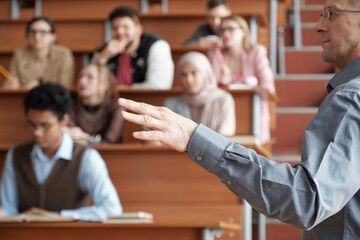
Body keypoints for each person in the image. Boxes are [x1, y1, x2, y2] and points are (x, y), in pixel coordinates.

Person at [118, 0, 360, 238]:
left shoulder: (350, 99)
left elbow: (307, 200)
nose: (318, 25)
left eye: (331, 13)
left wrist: (194, 137)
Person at [0, 83, 122, 221]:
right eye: (32, 125)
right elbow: (8, 209)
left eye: (45, 126)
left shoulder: (86, 158)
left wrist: (58, 216)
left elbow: (112, 210)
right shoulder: (16, 155)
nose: (37, 133)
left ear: (64, 120)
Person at [208, 14, 275, 142]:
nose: (225, 33)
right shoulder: (215, 55)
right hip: (221, 118)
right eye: (222, 30)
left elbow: (268, 87)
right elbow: (207, 90)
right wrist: (220, 83)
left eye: (230, 29)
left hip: (251, 118)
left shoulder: (256, 52)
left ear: (243, 31)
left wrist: (248, 88)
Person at [94, 6, 174, 89]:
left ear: (138, 30)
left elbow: (159, 86)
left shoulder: (157, 46)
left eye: (125, 27)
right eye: (115, 28)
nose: (119, 32)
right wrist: (101, 59)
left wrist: (124, 89)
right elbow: (89, 86)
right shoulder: (105, 50)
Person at [164, 51, 235, 136]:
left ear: (205, 73)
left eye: (194, 73)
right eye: (183, 75)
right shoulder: (171, 104)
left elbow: (226, 138)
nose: (189, 80)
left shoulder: (223, 100)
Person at [3, 17, 74, 89]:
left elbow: (64, 87)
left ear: (53, 36)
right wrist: (10, 86)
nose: (37, 36)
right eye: (32, 32)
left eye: (43, 32)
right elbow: (13, 86)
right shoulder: (19, 55)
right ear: (27, 36)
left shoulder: (64, 55)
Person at [66, 63, 124, 144]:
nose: (82, 81)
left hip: (110, 155)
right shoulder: (70, 107)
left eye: (90, 77)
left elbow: (110, 143)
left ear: (104, 85)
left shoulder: (116, 108)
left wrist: (87, 138)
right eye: (80, 77)